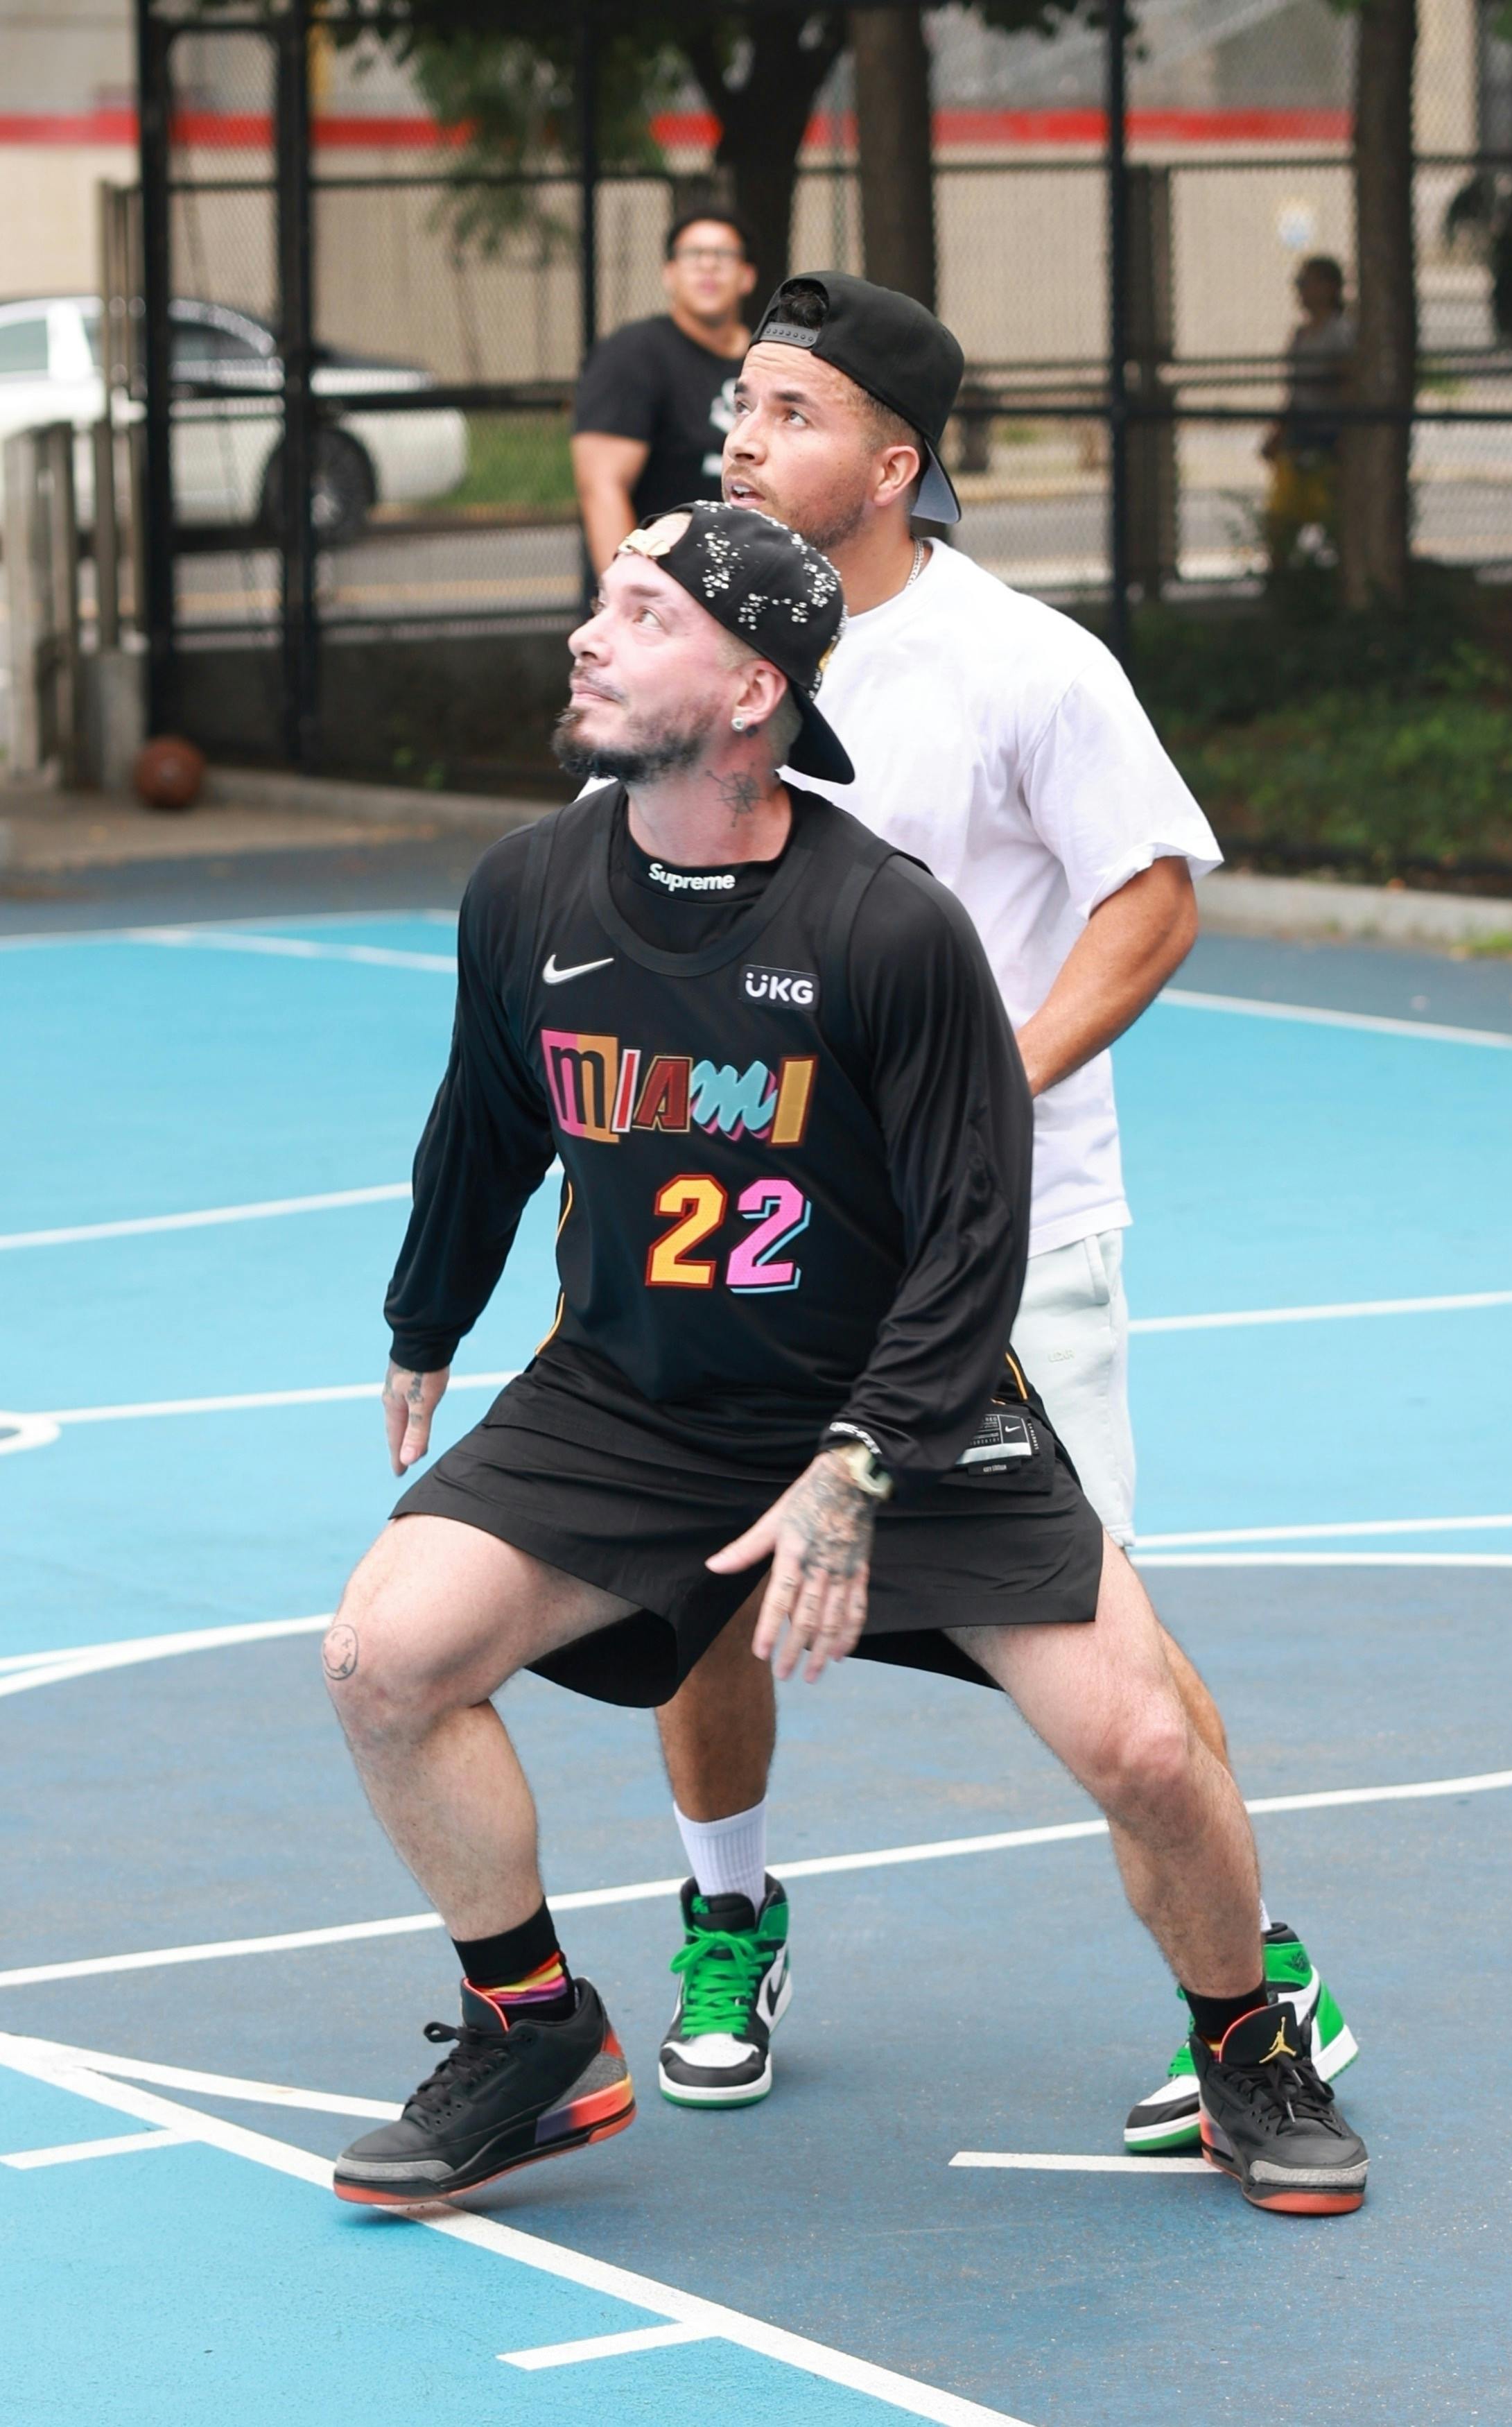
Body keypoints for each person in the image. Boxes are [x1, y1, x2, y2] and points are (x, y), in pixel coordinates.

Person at [326, 501, 1368, 2220]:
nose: (591, 634)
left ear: (750, 692)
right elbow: (486, 1123)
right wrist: (426, 1318)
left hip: (899, 1408)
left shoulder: (885, 924)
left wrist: (866, 1451)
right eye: (602, 603)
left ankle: (1247, 2041)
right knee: (382, 1659)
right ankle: (533, 2035)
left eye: (642, 614)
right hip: (632, 1394)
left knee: (1147, 1754)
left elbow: (975, 1223)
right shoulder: (526, 890)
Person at [643, 272, 1359, 2154]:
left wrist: (985, 1086)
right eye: (736, 404)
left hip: (1013, 1241)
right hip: (762, 1234)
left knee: (1098, 1648)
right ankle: (727, 1912)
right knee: (695, 1583)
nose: (739, 434)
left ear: (890, 462)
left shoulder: (1024, 663)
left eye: (784, 410)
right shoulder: (692, 642)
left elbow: (1147, 900)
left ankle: (1261, 1992)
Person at [571, 207, 757, 573]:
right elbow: (602, 488)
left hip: (750, 584)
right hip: (666, 593)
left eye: (723, 255)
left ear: (747, 276)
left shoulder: (767, 361)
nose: (708, 266)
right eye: (692, 255)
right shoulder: (632, 355)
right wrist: (632, 594)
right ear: (668, 275)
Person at [1260, 254, 1355, 576]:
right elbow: (1294, 393)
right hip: (1300, 435)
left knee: (1334, 517)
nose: (1299, 291)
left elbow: (1348, 386)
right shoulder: (1300, 335)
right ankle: (1282, 583)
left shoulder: (1341, 332)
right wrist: (1278, 431)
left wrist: (1346, 434)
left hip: (1330, 436)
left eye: (1306, 283)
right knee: (1280, 517)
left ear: (1329, 288)